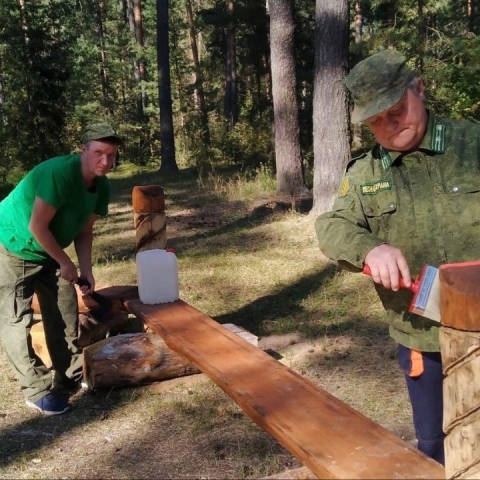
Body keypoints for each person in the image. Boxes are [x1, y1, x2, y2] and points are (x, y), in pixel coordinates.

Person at [315, 49, 480, 465]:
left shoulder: (472, 145)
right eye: (375, 121)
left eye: (396, 111)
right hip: (422, 339)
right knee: (435, 448)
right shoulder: (366, 172)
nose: (389, 128)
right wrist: (370, 247)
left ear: (419, 90)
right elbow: (331, 226)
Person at [0, 123, 121, 416]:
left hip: (47, 246)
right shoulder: (60, 174)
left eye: (111, 155)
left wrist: (86, 270)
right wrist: (65, 263)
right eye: (98, 153)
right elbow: (37, 225)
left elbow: (85, 231)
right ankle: (36, 389)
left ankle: (69, 373)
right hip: (13, 243)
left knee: (65, 308)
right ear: (83, 150)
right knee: (16, 318)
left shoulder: (101, 186)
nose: (105, 161)